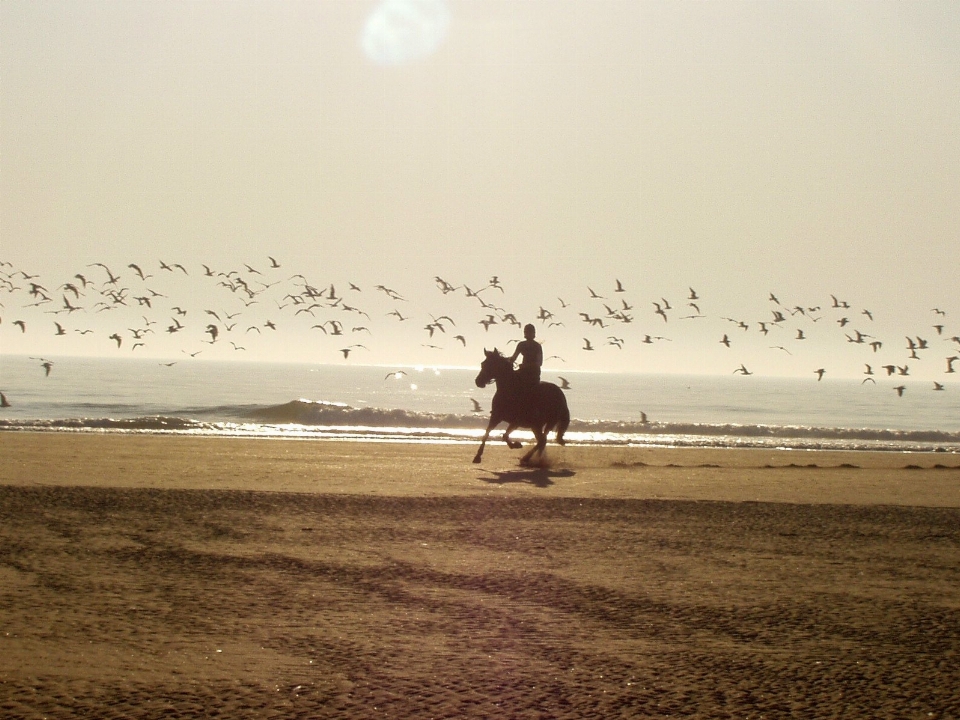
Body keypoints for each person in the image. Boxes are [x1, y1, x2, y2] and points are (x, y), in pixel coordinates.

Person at [508, 324, 543, 396]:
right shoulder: (521, 344)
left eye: (529, 332)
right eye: (526, 332)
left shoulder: (537, 346)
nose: (527, 334)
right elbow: (513, 358)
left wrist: (526, 366)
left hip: (533, 372)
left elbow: (539, 363)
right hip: (522, 371)